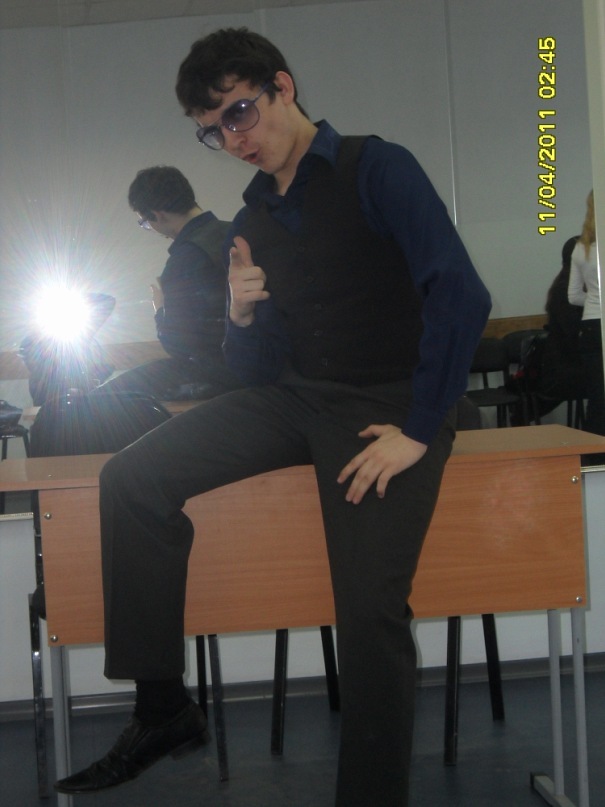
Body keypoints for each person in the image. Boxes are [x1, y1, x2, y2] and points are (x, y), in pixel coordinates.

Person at [54, 27, 491, 806]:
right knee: (132, 478)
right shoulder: (250, 217)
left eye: (239, 113)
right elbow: (252, 370)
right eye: (212, 130)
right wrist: (240, 314)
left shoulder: (376, 167)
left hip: (386, 405)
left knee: (368, 615)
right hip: (293, 396)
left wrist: (421, 428)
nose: (233, 139)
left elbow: (459, 294)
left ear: (282, 87)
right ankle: (163, 707)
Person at [97, 166, 241, 400]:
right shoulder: (240, 232)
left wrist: (160, 308)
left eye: (145, 222)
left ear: (157, 215)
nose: (150, 228)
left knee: (101, 401)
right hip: (257, 364)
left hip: (216, 374)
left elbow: (178, 346)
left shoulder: (184, 260)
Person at [568, 190, 603, 434]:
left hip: (591, 325)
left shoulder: (580, 249)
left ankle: (596, 453)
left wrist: (594, 301)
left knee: (598, 399)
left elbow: (573, 296)